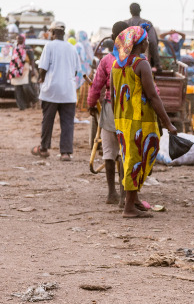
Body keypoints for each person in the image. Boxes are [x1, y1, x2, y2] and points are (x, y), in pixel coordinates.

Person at [111, 26, 177, 218]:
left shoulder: (116, 64)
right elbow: (153, 96)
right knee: (138, 159)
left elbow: (113, 93)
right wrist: (168, 123)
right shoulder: (141, 64)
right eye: (146, 40)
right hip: (140, 120)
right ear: (140, 43)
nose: (148, 43)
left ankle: (134, 199)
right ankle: (129, 208)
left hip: (122, 119)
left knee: (130, 158)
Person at [87, 21, 128, 205]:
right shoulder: (137, 60)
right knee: (126, 152)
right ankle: (125, 194)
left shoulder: (106, 61)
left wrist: (90, 104)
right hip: (130, 110)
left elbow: (96, 86)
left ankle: (112, 193)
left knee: (109, 151)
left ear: (112, 38)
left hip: (110, 108)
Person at [32, 22, 80, 161]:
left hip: (51, 91)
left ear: (53, 33)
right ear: (63, 34)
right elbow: (76, 71)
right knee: (67, 123)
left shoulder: (49, 46)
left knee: (47, 121)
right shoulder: (72, 48)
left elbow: (43, 68)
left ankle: (44, 148)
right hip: (68, 92)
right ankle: (65, 153)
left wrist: (41, 78)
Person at [126, 3, 161, 72]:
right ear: (140, 10)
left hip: (125, 63)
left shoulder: (125, 24)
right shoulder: (147, 23)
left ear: (130, 11)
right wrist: (157, 64)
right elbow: (152, 42)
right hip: (143, 63)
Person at [8, 34, 37, 109]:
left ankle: (35, 99)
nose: (19, 40)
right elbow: (12, 60)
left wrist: (33, 70)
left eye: (20, 39)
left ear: (23, 39)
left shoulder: (28, 48)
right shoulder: (14, 48)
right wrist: (9, 71)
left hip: (25, 69)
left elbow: (32, 60)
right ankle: (21, 106)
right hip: (15, 69)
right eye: (17, 39)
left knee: (26, 87)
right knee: (17, 88)